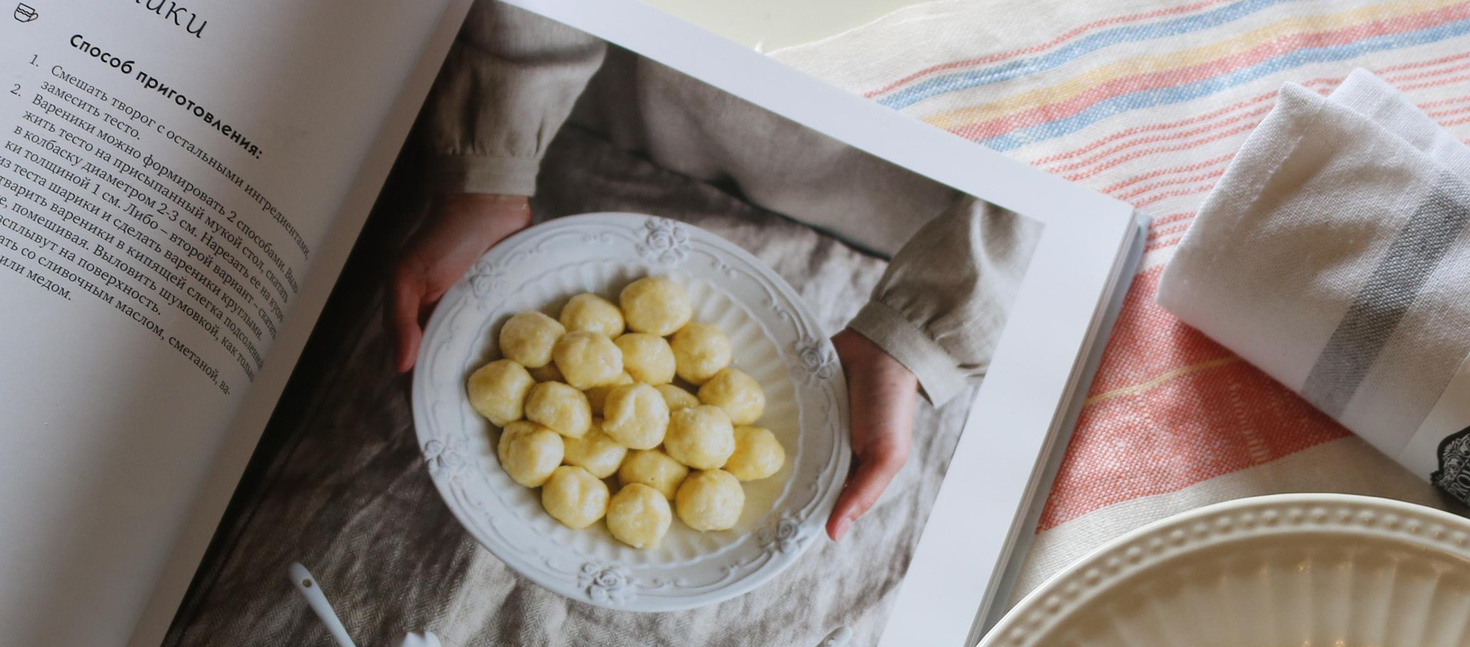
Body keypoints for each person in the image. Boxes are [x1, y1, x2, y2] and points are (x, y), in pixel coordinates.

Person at [391, 3, 1034, 540]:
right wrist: (489, 169)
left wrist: (924, 332)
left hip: (902, 210)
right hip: (636, 107)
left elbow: (1080, 108)